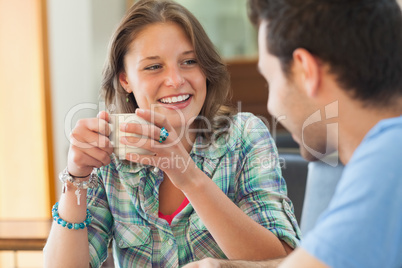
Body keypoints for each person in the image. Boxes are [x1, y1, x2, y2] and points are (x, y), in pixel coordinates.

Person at [43, 0, 302, 267]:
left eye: (189, 61)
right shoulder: (111, 152)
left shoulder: (244, 136)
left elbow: (284, 261)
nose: (176, 80)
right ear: (125, 80)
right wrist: (76, 179)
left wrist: (187, 175)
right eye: (154, 67)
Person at [184, 0, 402, 267]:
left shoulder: (388, 163)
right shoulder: (380, 154)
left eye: (270, 79)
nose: (271, 106)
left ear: (305, 71)